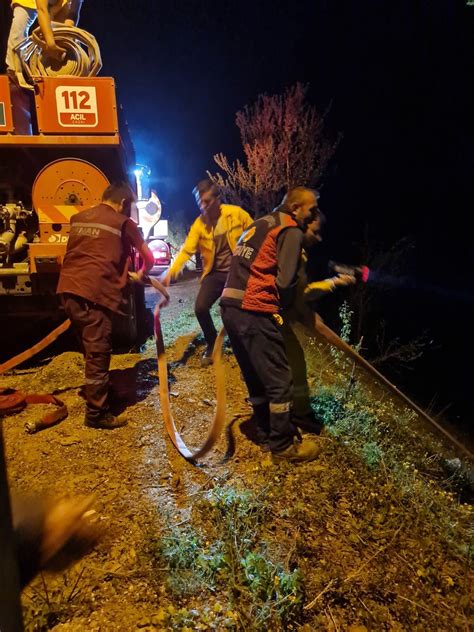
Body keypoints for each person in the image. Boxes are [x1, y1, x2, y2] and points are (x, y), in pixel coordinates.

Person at [220, 186, 325, 464]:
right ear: (294, 208)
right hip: (254, 310)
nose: (314, 214)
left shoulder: (261, 223)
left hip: (229, 307)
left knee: (255, 377)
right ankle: (282, 446)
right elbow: (284, 282)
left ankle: (266, 432)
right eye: (311, 209)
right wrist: (292, 309)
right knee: (280, 380)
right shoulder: (290, 230)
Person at [57, 182, 154, 430]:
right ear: (123, 203)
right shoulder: (123, 222)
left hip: (68, 290)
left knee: (90, 348)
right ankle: (96, 414)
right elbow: (149, 258)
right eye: (129, 206)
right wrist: (140, 274)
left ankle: (101, 391)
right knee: (99, 351)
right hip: (94, 294)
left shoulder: (79, 217)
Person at [162, 179, 252, 366]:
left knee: (234, 313)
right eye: (199, 203)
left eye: (207, 202)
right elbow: (187, 250)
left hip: (236, 273)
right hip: (215, 273)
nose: (203, 207)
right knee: (200, 308)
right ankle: (212, 343)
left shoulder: (236, 214)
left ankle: (246, 353)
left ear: (218, 199)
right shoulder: (199, 224)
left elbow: (255, 233)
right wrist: (172, 271)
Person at [5, 0, 84, 75]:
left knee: (60, 33)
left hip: (58, 3)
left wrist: (65, 42)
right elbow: (42, 10)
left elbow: (72, 15)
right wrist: (50, 44)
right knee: (19, 24)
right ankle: (14, 72)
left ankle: (54, 70)